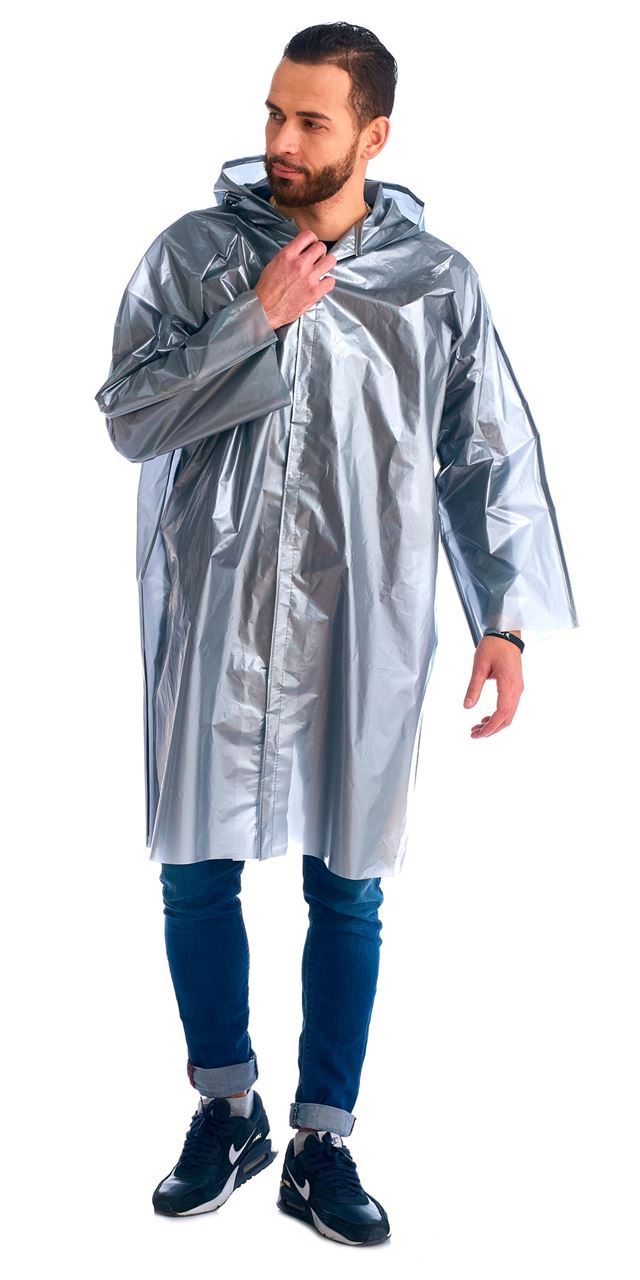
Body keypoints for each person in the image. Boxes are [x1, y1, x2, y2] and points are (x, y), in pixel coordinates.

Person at [94, 22, 578, 1247]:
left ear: (374, 135)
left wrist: (503, 618)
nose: (281, 140)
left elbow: (481, 453)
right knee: (194, 868)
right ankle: (226, 1110)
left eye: (310, 121)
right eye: (273, 113)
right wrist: (253, 318)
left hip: (365, 617)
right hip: (213, 604)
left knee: (348, 885)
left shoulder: (435, 281)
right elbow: (131, 417)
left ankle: (322, 1138)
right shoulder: (195, 254)